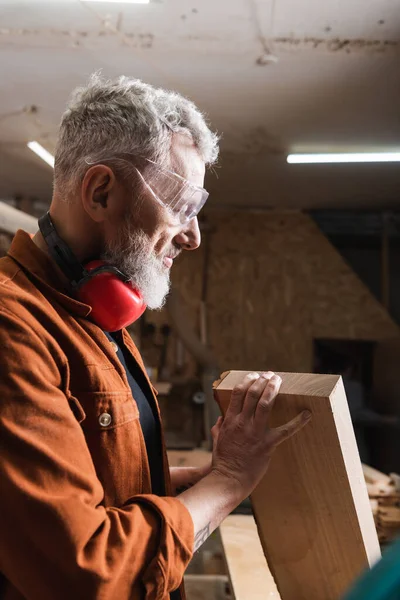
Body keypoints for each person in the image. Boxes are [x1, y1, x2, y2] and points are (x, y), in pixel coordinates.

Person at [0, 74, 311, 600]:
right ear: (100, 192)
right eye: (182, 207)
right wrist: (228, 480)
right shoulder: (15, 329)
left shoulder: (93, 318)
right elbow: (84, 572)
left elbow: (88, 482)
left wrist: (170, 482)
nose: (192, 236)